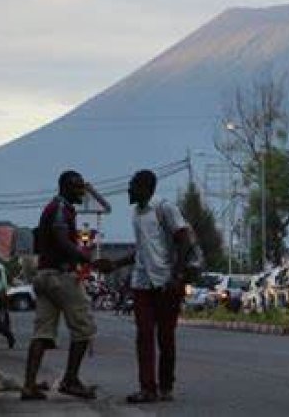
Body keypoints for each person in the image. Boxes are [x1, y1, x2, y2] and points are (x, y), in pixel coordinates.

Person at [106, 169, 191, 404]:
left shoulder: (164, 209)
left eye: (132, 186)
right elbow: (142, 251)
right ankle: (147, 388)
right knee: (144, 335)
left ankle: (166, 386)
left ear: (145, 188)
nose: (129, 190)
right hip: (142, 283)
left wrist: (178, 274)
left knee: (165, 337)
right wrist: (116, 264)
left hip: (166, 283)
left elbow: (184, 239)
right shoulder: (137, 214)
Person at [21, 170, 104, 401]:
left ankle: (29, 385)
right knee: (84, 328)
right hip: (60, 276)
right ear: (65, 187)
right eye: (77, 187)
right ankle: (70, 380)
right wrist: (86, 259)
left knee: (42, 332)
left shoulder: (56, 207)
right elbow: (61, 240)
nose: (81, 192)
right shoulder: (60, 209)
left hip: (44, 276)